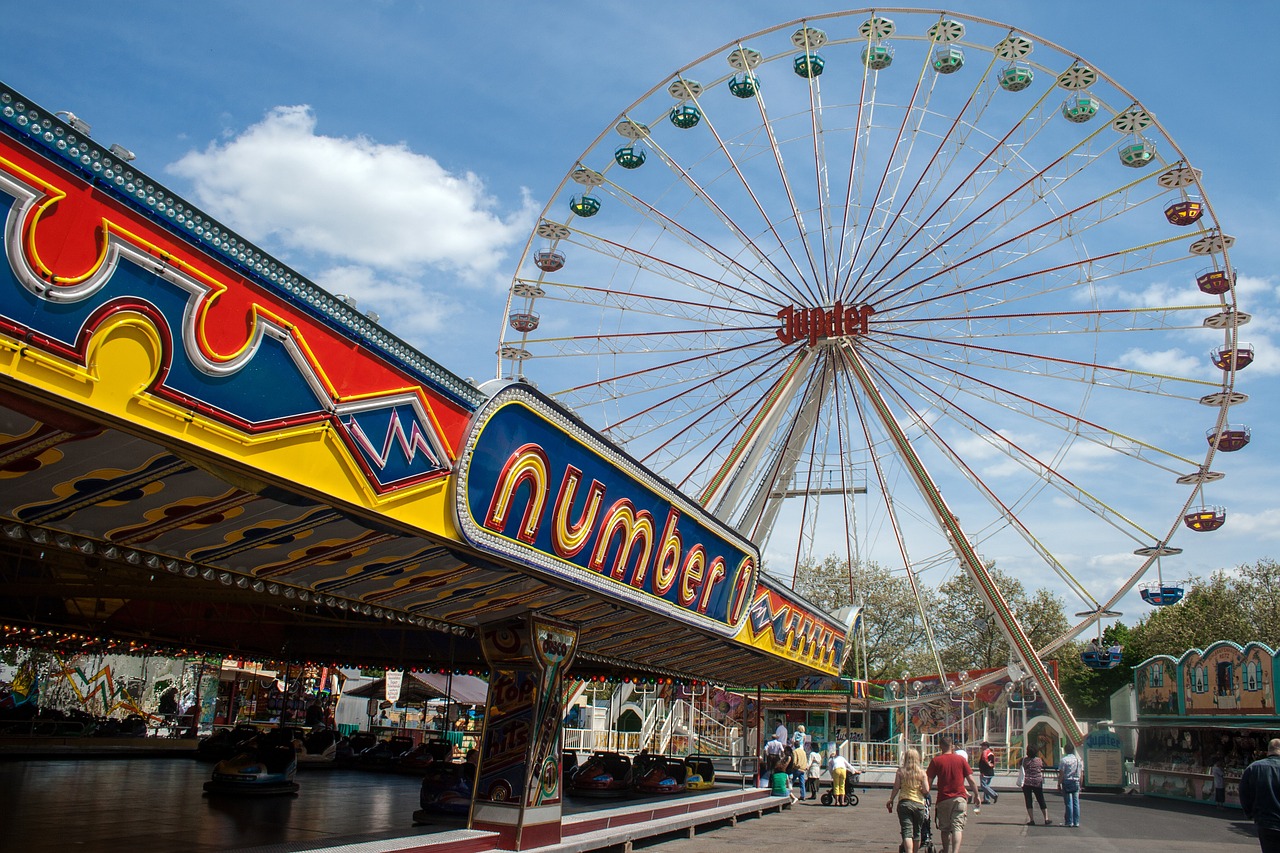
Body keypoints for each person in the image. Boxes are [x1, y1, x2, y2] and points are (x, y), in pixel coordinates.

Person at [926, 735, 980, 853]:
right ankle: (955, 852)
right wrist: (977, 794)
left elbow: (928, 781)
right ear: (952, 746)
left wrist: (924, 795)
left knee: (944, 828)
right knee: (957, 827)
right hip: (960, 798)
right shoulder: (960, 760)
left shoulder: (936, 760)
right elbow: (971, 779)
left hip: (943, 799)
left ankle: (946, 850)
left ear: (940, 746)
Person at [1240, 738, 1280, 853]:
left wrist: (1250, 813)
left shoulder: (1253, 768)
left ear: (1268, 751)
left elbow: (1243, 792)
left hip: (1265, 822)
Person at [887, 747, 930, 853]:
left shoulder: (900, 771)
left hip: (904, 803)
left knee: (907, 832)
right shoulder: (922, 773)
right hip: (918, 804)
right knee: (917, 832)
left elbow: (896, 787)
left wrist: (891, 799)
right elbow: (926, 790)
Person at [1020, 745, 1050, 825]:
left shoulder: (1023, 760)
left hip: (1027, 782)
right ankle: (1046, 818)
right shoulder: (1039, 760)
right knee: (1041, 799)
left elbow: (1021, 767)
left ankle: (1032, 819)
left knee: (1028, 800)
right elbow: (1041, 767)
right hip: (1037, 781)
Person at [1058, 742, 1082, 827]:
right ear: (1073, 750)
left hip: (1067, 782)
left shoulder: (1064, 760)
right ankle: (1076, 821)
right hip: (1076, 782)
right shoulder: (1077, 760)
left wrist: (1059, 783)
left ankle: (1069, 821)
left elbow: (1061, 773)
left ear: (1065, 750)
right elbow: (1080, 774)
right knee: (1076, 802)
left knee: (1068, 802)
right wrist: (1081, 785)